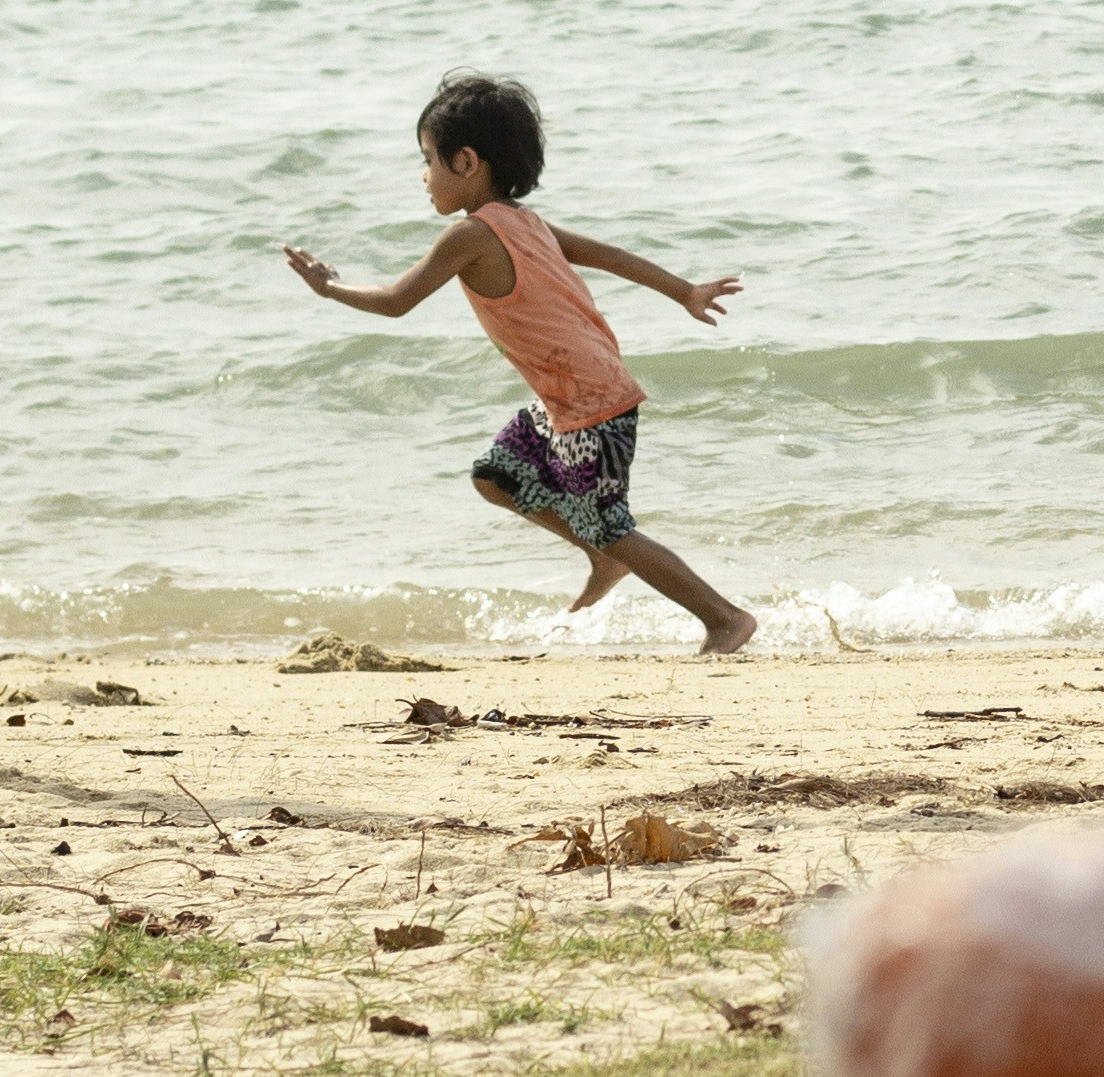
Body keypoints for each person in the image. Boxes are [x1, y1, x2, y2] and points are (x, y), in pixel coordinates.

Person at [285, 72, 758, 654]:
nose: (422, 175)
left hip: (589, 401)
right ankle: (600, 557)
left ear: (465, 162)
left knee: (611, 523)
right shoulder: (524, 221)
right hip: (570, 394)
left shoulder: (471, 236)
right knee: (499, 475)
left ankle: (724, 619)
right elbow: (607, 254)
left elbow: (395, 302)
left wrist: (329, 288)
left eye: (427, 159)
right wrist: (682, 290)